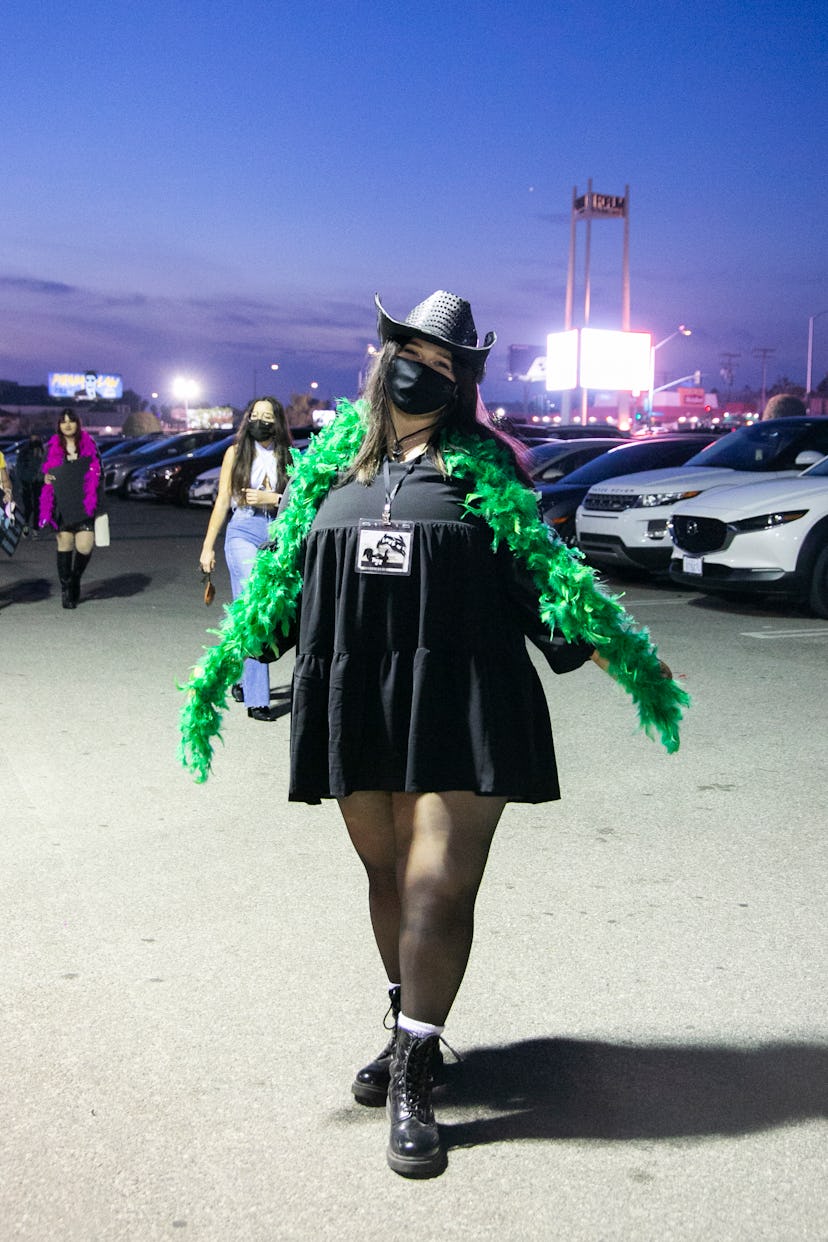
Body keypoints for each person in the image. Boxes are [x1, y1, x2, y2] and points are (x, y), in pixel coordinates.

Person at [180, 290, 689, 1179]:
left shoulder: (488, 469)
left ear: (463, 384)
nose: (425, 369)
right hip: (357, 697)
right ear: (384, 358)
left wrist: (631, 663)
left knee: (433, 886)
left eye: (447, 363)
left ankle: (416, 1073)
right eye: (413, 351)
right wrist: (241, 654)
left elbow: (548, 586)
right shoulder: (330, 469)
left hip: (463, 694)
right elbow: (284, 593)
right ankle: (409, 1020)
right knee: (386, 875)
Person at [198, 397, 293, 720]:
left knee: (255, 609)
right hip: (243, 530)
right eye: (256, 415)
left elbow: (301, 498)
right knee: (255, 607)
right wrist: (208, 546)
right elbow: (223, 499)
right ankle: (257, 699)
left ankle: (241, 678)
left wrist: (273, 498)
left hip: (276, 532)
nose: (261, 421)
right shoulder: (235, 452)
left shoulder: (288, 455)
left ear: (277, 421)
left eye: (268, 417)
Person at [39, 410, 102, 608]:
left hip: (84, 503)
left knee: (84, 546)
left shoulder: (90, 445)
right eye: (63, 422)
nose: (67, 425)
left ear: (77, 424)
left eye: (71, 421)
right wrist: (45, 478)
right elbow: (41, 472)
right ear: (58, 425)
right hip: (61, 504)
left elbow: (99, 470)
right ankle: (66, 589)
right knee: (65, 545)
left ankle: (75, 578)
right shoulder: (51, 447)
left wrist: (95, 474)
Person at [14, 433, 45, 535]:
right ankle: (25, 527)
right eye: (33, 437)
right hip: (26, 482)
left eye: (37, 437)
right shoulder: (25, 451)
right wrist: (20, 483)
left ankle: (35, 529)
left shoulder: (43, 451)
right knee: (28, 507)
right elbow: (19, 468)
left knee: (37, 506)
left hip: (39, 482)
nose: (35, 439)